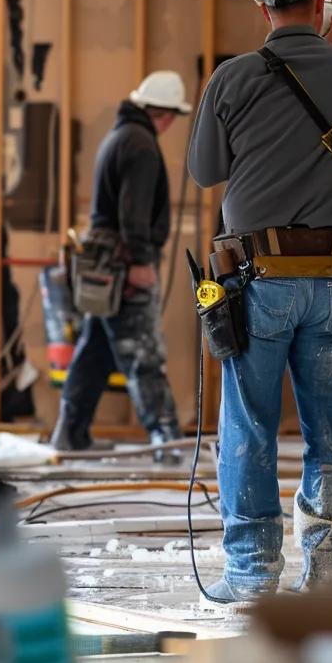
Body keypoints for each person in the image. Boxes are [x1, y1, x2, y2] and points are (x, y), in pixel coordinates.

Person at [188, 0, 332, 607]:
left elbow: (207, 171)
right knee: (331, 431)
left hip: (257, 281)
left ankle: (251, 575)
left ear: (262, 6)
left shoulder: (233, 78)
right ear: (323, 2)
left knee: (249, 425)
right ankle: (325, 575)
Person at [49, 71, 190, 456]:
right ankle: (167, 440)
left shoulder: (120, 136)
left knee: (95, 350)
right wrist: (142, 262)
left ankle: (69, 433)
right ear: (162, 113)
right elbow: (133, 213)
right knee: (143, 353)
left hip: (103, 267)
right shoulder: (141, 144)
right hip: (124, 266)